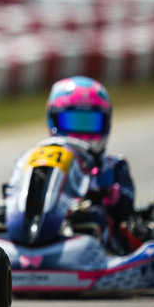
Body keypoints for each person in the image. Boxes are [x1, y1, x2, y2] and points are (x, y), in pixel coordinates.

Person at [41, 75, 136, 253]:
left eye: (89, 123)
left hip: (99, 237)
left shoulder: (113, 166)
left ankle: (102, 259)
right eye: (72, 121)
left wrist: (108, 191)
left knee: (93, 215)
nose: (80, 133)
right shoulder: (43, 163)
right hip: (48, 221)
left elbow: (126, 208)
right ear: (53, 119)